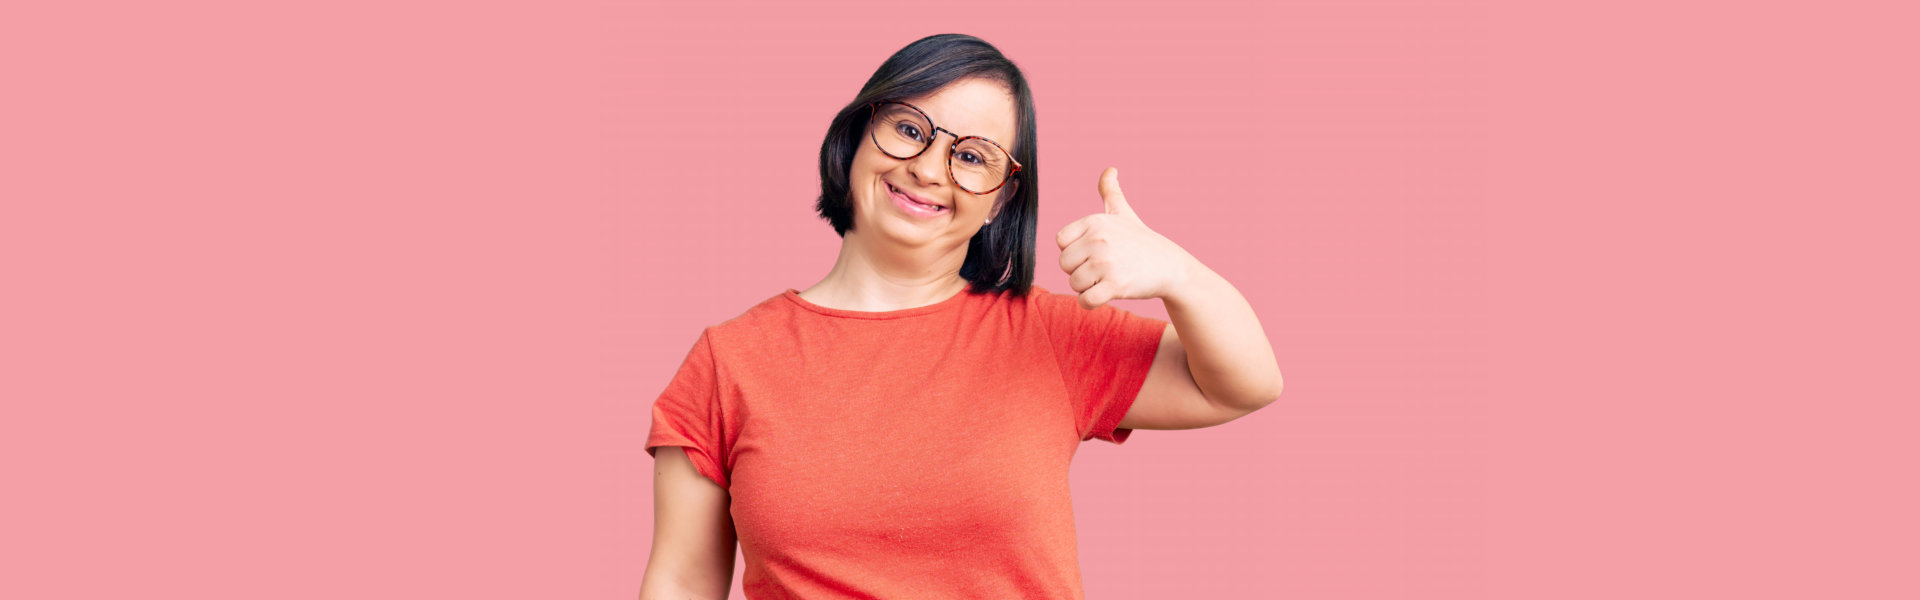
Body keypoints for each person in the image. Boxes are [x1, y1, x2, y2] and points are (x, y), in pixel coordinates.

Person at [638, 33, 1283, 600]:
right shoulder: (729, 360)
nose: (927, 169)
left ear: (1003, 200)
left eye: (972, 157)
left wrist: (1181, 276)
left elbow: (1244, 385)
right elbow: (683, 583)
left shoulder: (1048, 335)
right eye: (910, 128)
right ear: (857, 133)